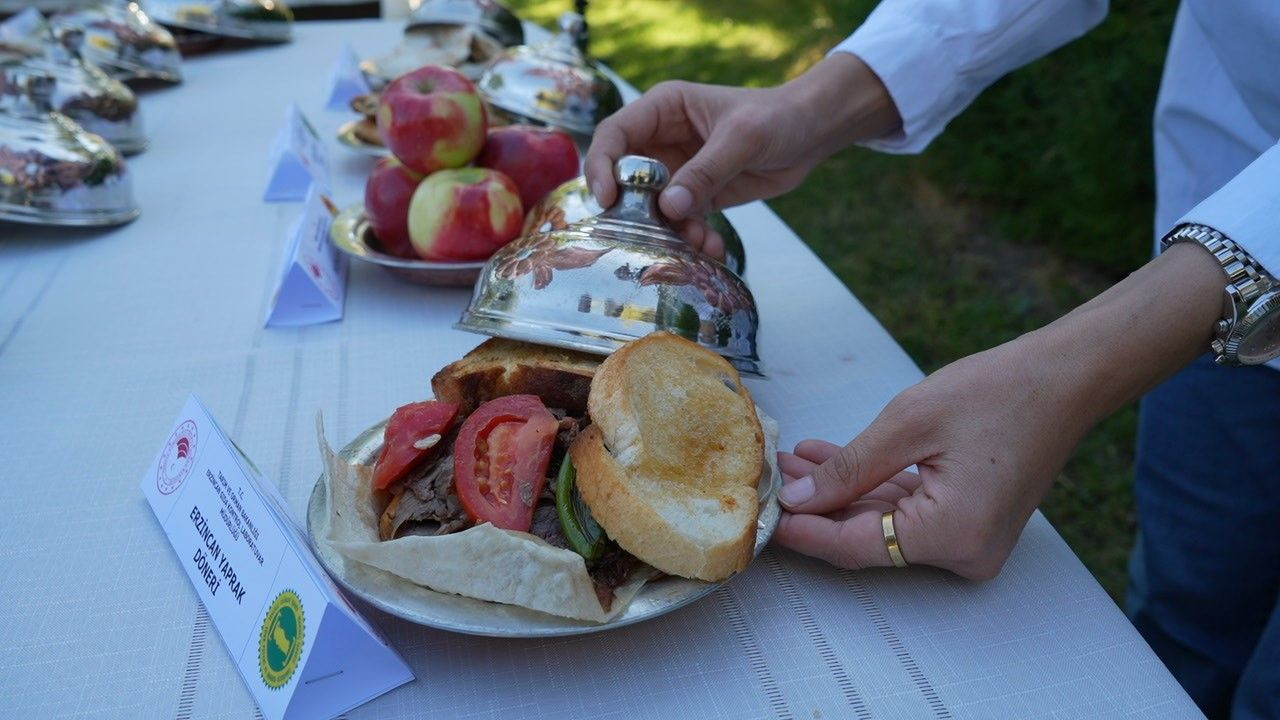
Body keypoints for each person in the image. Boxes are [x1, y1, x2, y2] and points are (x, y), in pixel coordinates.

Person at [583, 2, 1280, 718]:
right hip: (1213, 229)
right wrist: (812, 104)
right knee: (1186, 612)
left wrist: (1065, 374)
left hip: (1197, 290)